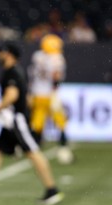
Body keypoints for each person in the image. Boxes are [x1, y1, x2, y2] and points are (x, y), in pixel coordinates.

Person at [0, 42, 64, 205]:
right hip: (11, 121)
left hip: (16, 121)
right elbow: (25, 98)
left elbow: (12, 96)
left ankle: (52, 189)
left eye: (0, 52)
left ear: (8, 53)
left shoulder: (12, 72)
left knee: (33, 152)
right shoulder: (14, 72)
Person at [27, 34, 74, 164]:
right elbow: (56, 77)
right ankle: (63, 148)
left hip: (37, 94)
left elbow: (32, 75)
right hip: (50, 94)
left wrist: (30, 92)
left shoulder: (37, 56)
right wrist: (54, 92)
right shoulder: (56, 58)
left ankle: (33, 149)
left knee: (37, 124)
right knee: (61, 122)